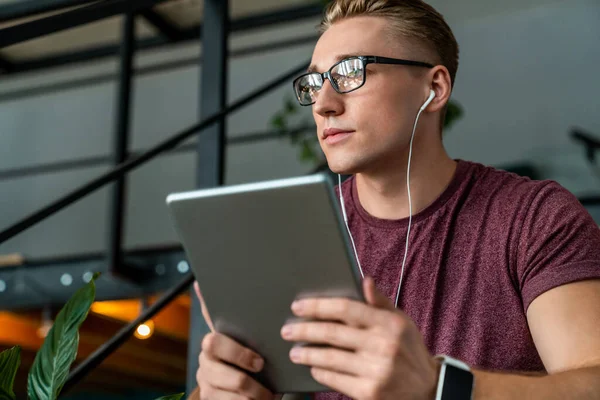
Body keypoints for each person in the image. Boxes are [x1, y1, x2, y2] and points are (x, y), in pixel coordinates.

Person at [189, 0, 600, 399]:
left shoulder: (533, 218)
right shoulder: (290, 238)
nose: (325, 105)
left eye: (350, 72)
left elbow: (592, 381)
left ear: (434, 87)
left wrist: (438, 386)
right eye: (315, 84)